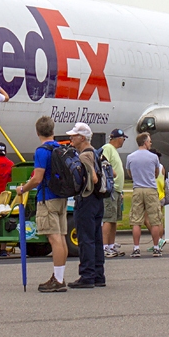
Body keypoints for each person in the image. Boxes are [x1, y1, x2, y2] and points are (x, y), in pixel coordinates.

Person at [17, 116, 69, 292]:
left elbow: (37, 178)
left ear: (37, 132)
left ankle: (58, 280)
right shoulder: (60, 148)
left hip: (47, 198)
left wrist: (23, 189)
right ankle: (59, 275)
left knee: (54, 238)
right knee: (61, 237)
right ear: (53, 131)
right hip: (61, 196)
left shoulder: (41, 151)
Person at [66, 122, 105, 288]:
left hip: (87, 198)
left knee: (86, 238)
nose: (71, 138)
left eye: (74, 135)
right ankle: (98, 274)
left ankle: (87, 275)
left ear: (82, 137)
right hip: (98, 200)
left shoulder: (84, 156)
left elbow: (93, 177)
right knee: (96, 237)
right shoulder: (96, 153)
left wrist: (83, 180)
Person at [125, 133, 163, 257]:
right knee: (154, 219)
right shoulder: (153, 157)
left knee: (136, 220)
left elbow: (129, 173)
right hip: (150, 189)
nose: (150, 143)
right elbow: (156, 173)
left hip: (137, 188)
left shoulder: (130, 157)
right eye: (149, 141)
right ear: (145, 142)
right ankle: (156, 247)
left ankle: (136, 248)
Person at [101, 129, 127, 258]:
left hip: (117, 190)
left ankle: (111, 245)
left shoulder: (114, 150)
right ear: (118, 138)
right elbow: (103, 163)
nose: (123, 141)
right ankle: (104, 247)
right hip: (110, 190)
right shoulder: (107, 148)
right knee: (108, 218)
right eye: (123, 138)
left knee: (114, 219)